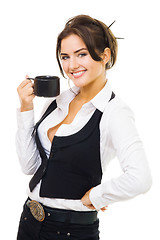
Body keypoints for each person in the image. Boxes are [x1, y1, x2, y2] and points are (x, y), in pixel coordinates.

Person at [16, 14, 152, 240]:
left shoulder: (114, 112)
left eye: (82, 54)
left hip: (70, 232)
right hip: (29, 221)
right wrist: (25, 108)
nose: (72, 65)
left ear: (105, 55)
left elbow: (140, 178)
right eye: (65, 56)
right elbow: (29, 166)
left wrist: (97, 196)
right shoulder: (55, 102)